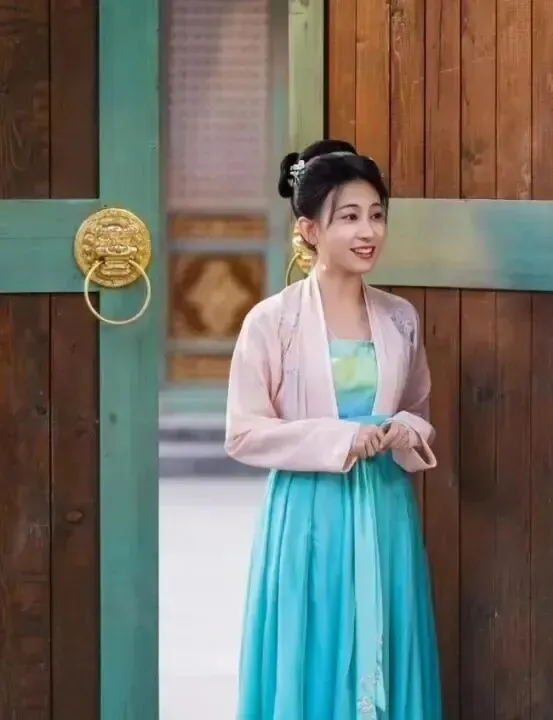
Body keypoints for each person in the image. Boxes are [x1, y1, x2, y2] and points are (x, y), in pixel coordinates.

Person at [226, 140, 442, 718]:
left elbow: (418, 409)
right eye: (348, 217)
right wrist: (338, 438)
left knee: (387, 642)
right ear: (309, 230)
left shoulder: (400, 317)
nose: (367, 231)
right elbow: (243, 432)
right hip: (309, 512)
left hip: (386, 507)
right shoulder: (272, 321)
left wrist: (403, 429)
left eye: (376, 215)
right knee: (316, 646)